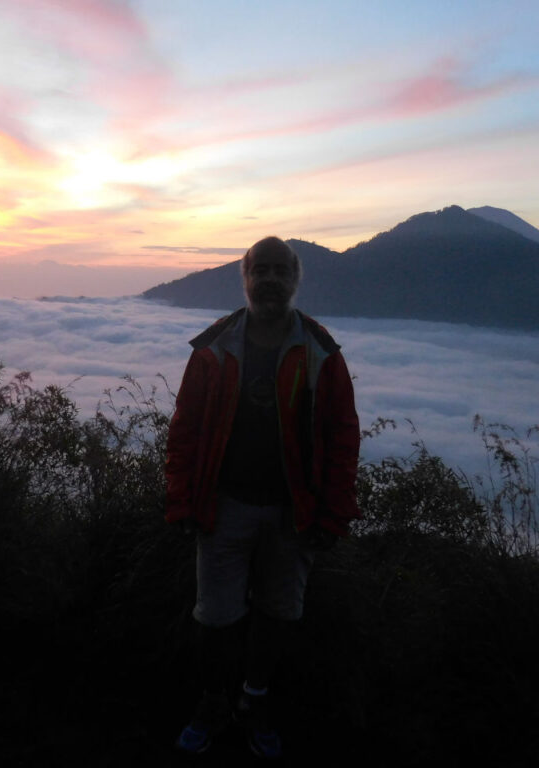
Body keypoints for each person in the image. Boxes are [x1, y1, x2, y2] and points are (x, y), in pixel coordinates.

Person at [164, 236, 361, 758]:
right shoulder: (213, 349)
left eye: (280, 270)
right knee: (216, 616)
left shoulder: (321, 352)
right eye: (261, 270)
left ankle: (255, 699)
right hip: (224, 506)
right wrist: (183, 502)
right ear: (245, 278)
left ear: (296, 278)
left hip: (293, 513)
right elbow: (184, 431)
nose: (270, 279)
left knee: (278, 613)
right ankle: (213, 700)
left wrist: (331, 515)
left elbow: (343, 437)